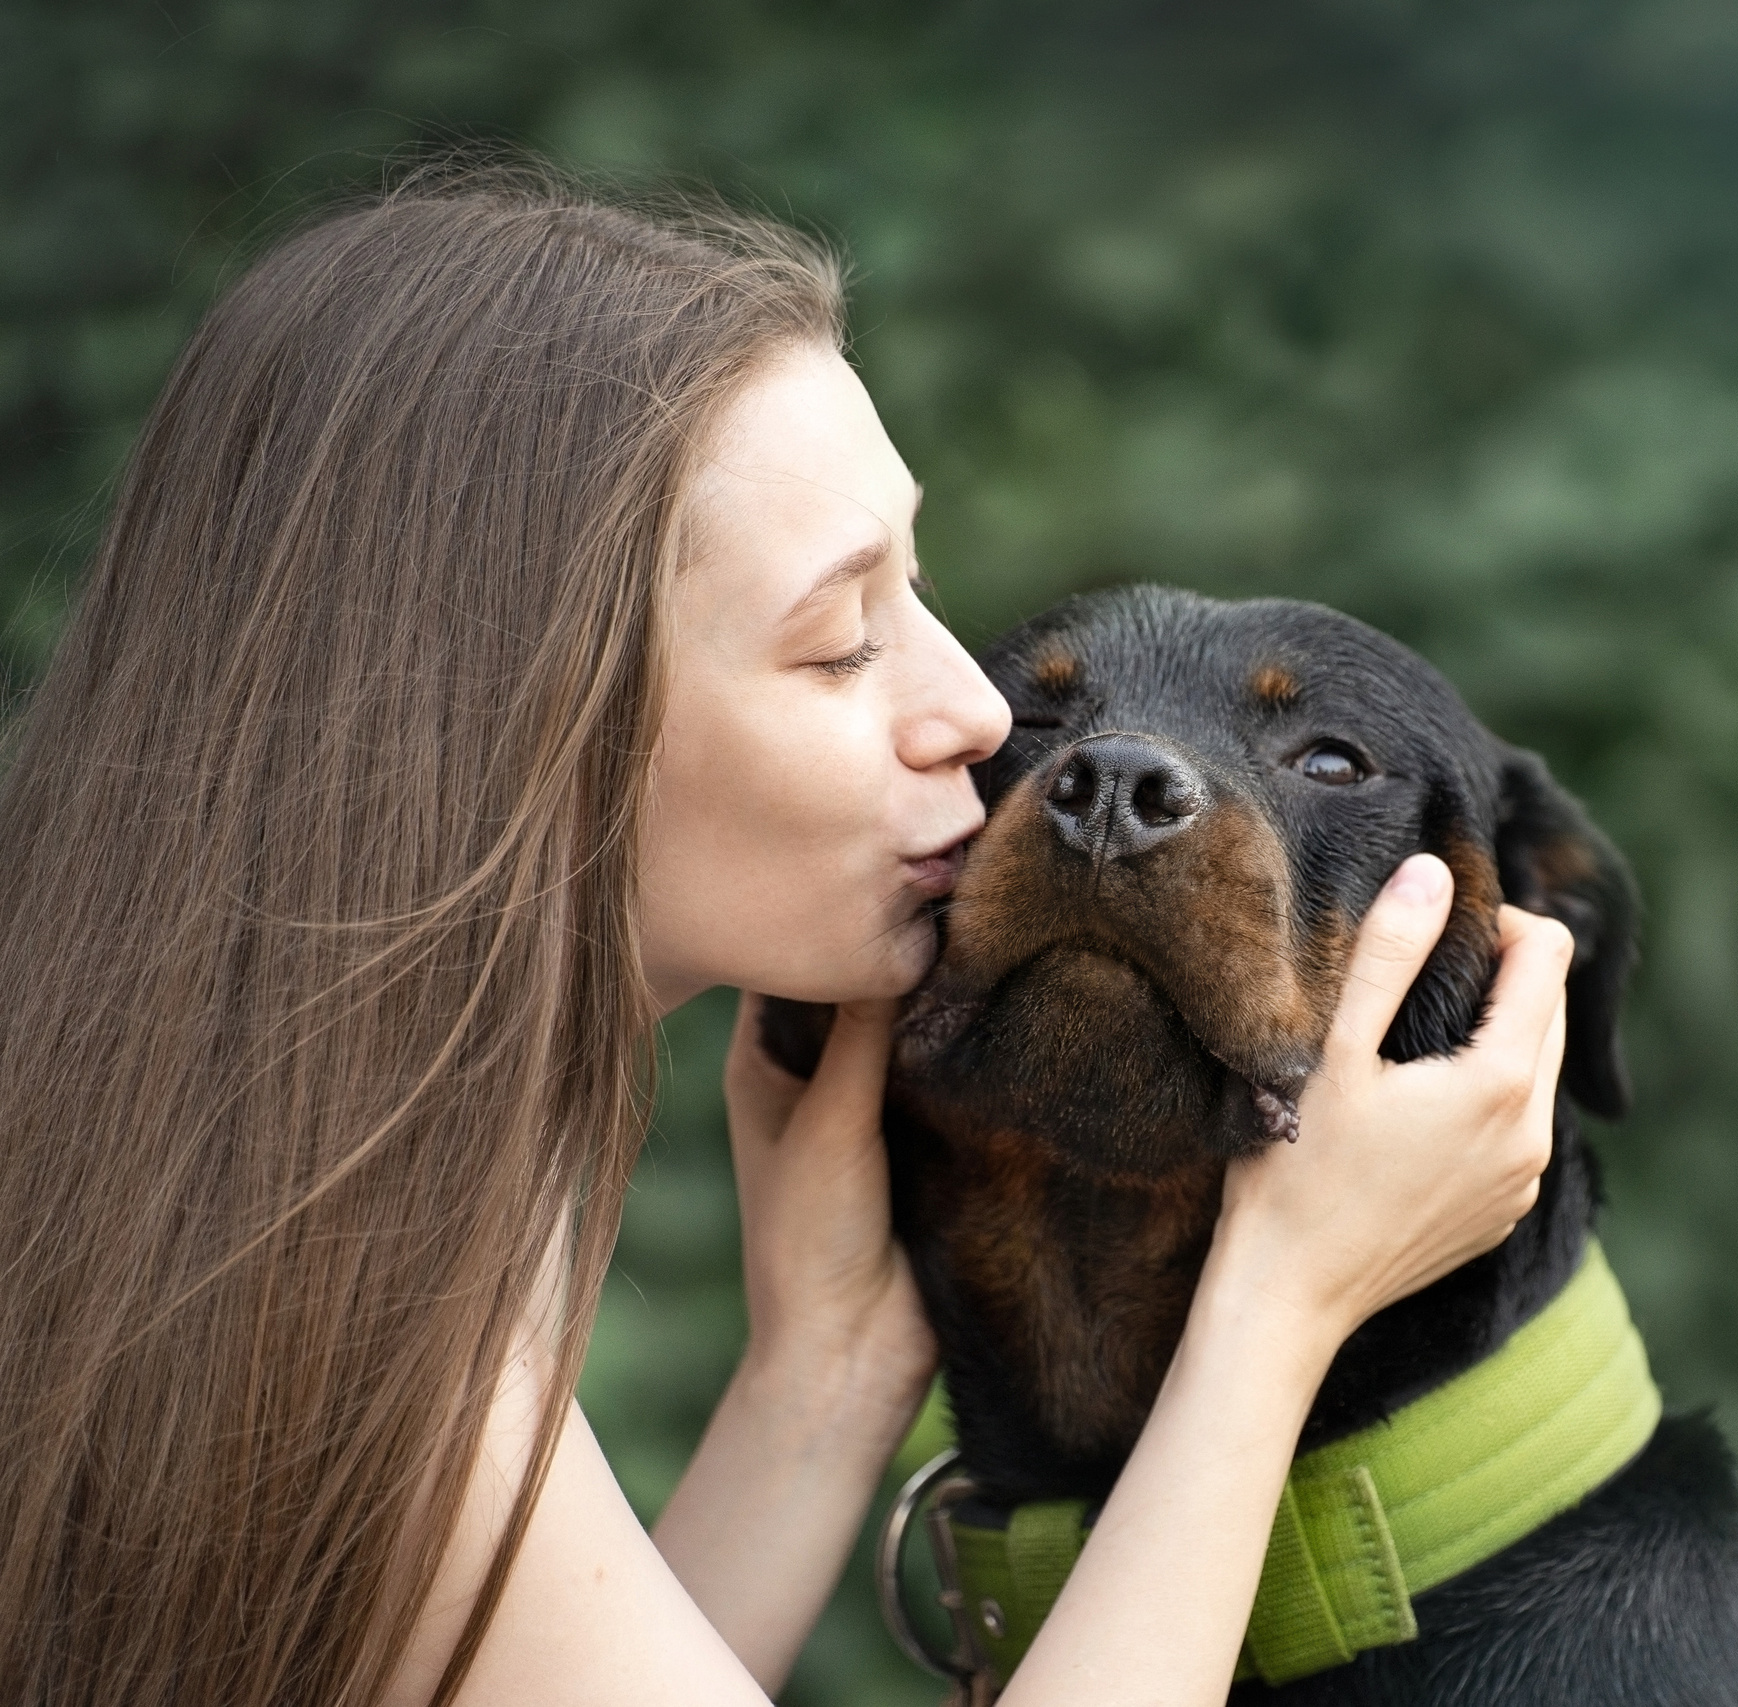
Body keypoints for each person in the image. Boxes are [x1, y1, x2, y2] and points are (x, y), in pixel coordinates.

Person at [0, 167, 1573, 1707]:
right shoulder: (331, 1344)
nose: (973, 710)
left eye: (925, 589)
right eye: (840, 640)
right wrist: (1282, 1305)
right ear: (521, 721)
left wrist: (820, 1370)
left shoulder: (232, 1213)